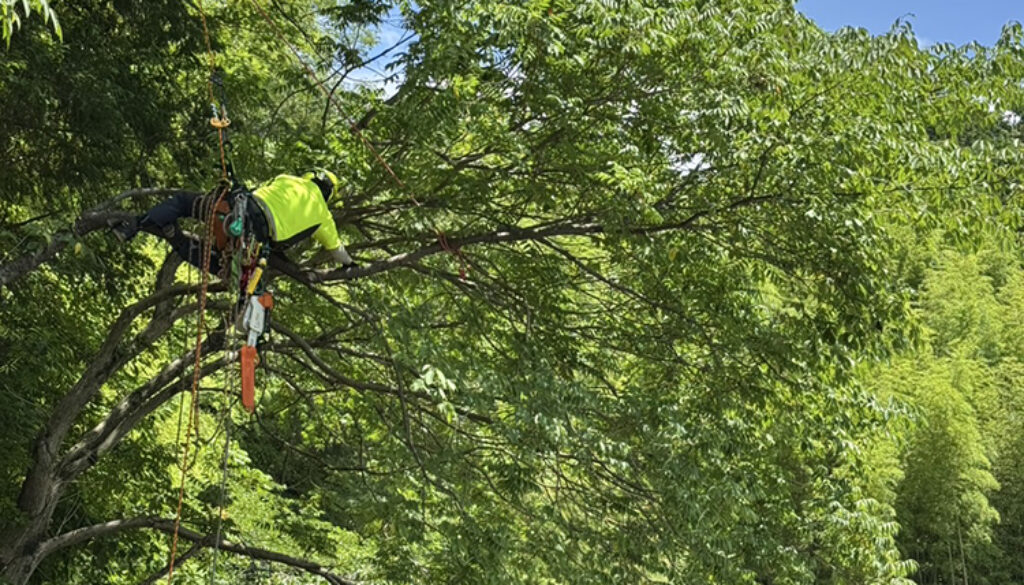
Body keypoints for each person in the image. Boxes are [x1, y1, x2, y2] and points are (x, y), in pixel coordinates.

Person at [110, 170, 355, 274]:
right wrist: (350, 266)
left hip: (236, 210)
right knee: (221, 266)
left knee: (185, 202)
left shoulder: (288, 179)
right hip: (254, 240)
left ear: (311, 176)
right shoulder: (323, 215)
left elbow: (260, 193)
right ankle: (177, 239)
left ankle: (136, 224)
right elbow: (338, 252)